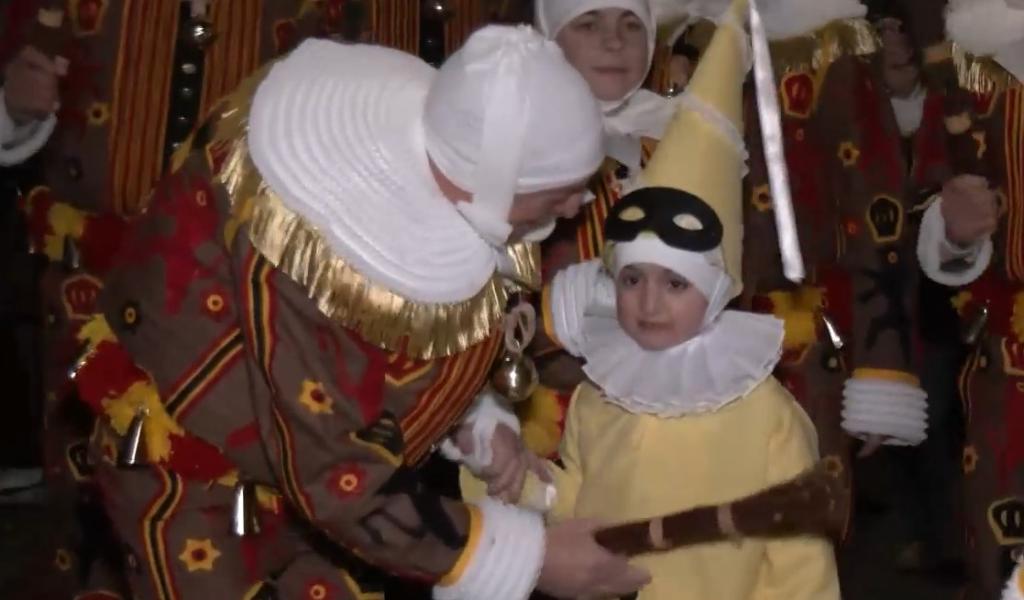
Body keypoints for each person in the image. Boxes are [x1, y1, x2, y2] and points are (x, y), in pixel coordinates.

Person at [68, 25, 654, 599]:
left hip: (296, 471)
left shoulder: (465, 170)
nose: (580, 206)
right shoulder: (310, 251)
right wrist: (531, 558)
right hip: (191, 477)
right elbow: (334, 472)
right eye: (560, 193)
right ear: (497, 181)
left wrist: (475, 416)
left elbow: (386, 346)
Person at [536, 3, 840, 596]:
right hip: (548, 405)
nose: (613, 42)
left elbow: (799, 554)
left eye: (631, 24)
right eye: (588, 22)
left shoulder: (762, 415)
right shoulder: (602, 402)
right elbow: (574, 494)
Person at [915, 0, 1024, 597]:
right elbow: (925, 206)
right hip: (1008, 365)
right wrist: (953, 228)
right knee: (1000, 554)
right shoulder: (970, 73)